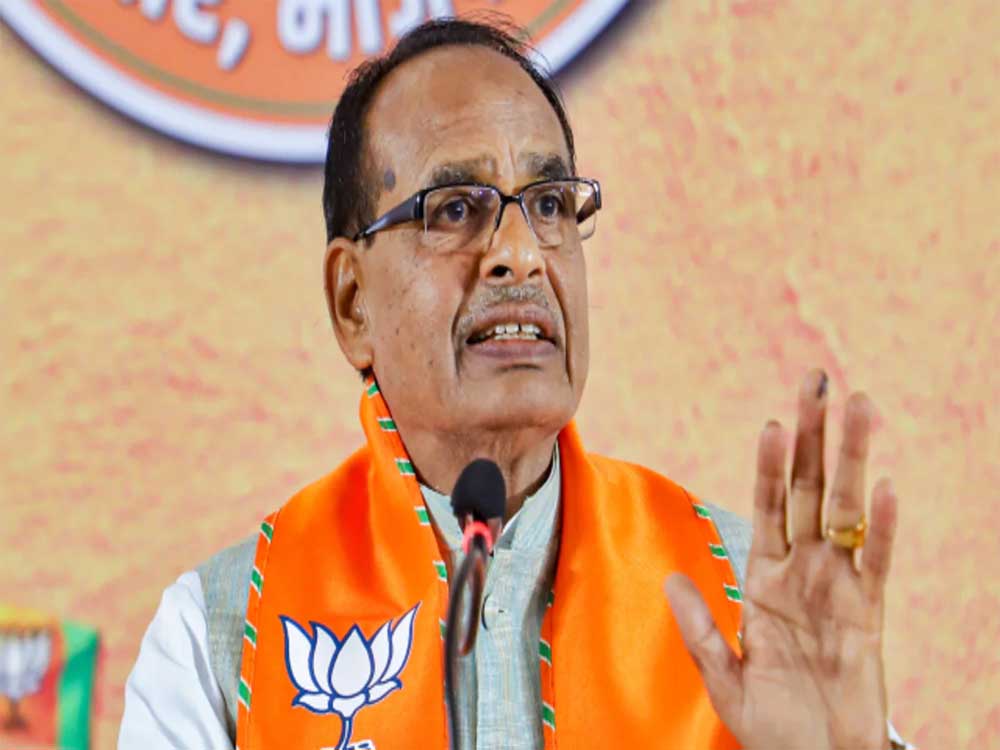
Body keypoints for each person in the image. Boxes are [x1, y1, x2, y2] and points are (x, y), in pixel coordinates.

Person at [119, 17, 912, 750]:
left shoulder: (740, 601)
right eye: (454, 209)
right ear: (352, 302)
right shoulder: (220, 638)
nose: (520, 254)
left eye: (550, 203)